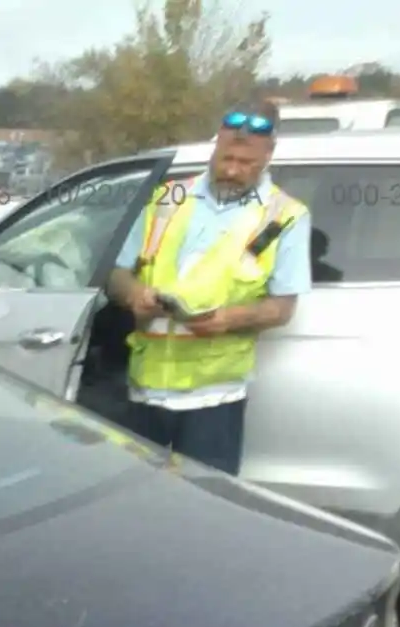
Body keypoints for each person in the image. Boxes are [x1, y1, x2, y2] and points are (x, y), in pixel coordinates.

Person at [105, 100, 312, 476]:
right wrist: (134, 294)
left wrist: (229, 319)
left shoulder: (285, 215)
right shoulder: (169, 195)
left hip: (214, 399)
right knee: (132, 502)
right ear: (216, 144)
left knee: (205, 511)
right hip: (145, 386)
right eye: (226, 158)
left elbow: (282, 308)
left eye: (246, 164)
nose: (232, 170)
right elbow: (117, 273)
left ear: (269, 154)